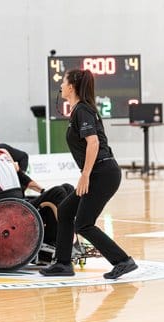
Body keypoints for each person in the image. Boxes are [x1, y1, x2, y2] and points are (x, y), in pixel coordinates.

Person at [39, 69, 137, 279]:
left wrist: (85, 175)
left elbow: (93, 143)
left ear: (72, 87)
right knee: (65, 210)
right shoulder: (78, 111)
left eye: (63, 83)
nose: (61, 87)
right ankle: (63, 263)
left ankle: (122, 261)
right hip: (99, 171)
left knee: (83, 224)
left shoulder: (82, 110)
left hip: (102, 172)